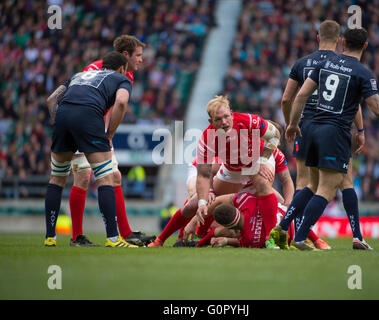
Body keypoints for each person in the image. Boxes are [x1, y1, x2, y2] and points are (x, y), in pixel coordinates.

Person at [273, 27, 379, 250]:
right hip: (334, 132)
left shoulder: (324, 64)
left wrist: (293, 124)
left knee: (310, 185)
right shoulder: (362, 73)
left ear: (343, 42)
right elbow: (377, 107)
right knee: (328, 188)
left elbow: (300, 96)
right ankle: (299, 237)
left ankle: (283, 227)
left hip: (312, 128)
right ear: (365, 46)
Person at [149, 95, 282, 247]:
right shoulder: (207, 138)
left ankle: (272, 238)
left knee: (264, 186)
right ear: (210, 121)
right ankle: (161, 240)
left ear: (232, 113)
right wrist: (203, 201)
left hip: (256, 161)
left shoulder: (250, 120)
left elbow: (275, 135)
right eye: (218, 119)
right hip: (231, 171)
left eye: (226, 116)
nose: (224, 122)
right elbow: (204, 175)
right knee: (195, 203)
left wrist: (263, 160)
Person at [280, 20, 368, 249]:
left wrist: (292, 124)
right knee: (343, 180)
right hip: (332, 128)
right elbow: (354, 103)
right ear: (340, 40)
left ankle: (288, 232)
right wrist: (360, 130)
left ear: (318, 37)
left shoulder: (301, 63)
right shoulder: (340, 64)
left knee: (305, 183)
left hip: (304, 127)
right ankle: (352, 235)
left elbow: (287, 99)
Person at [67, 35, 155, 246]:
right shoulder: (108, 72)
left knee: (115, 176)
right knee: (83, 177)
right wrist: (109, 135)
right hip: (81, 123)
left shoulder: (118, 71)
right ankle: (76, 237)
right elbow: (113, 104)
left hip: (93, 125)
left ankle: (126, 234)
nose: (142, 60)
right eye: (138, 55)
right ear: (125, 56)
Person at [44, 51, 138, 248]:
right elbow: (121, 102)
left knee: (57, 178)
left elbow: (51, 99)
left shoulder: (79, 75)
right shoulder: (121, 78)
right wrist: (110, 132)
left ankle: (50, 237)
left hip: (63, 116)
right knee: (105, 177)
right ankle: (113, 239)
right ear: (122, 68)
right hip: (88, 116)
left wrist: (59, 121)